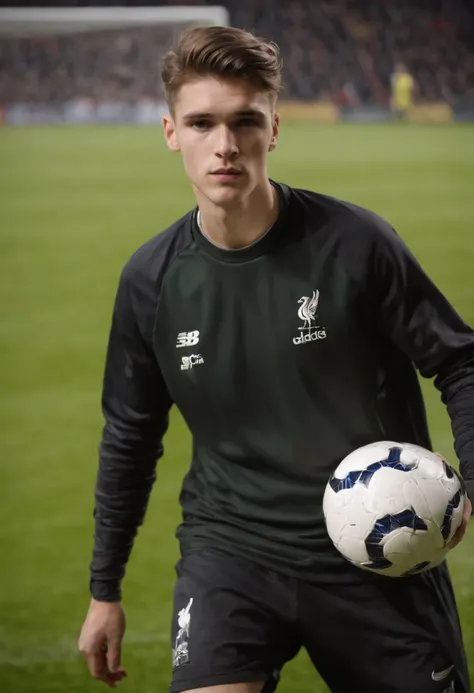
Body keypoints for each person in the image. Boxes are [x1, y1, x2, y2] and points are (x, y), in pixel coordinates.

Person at [78, 26, 473, 693]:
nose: (225, 145)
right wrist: (103, 589)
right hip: (231, 552)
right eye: (202, 123)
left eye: (245, 122)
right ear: (171, 131)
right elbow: (130, 435)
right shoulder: (152, 280)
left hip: (379, 553)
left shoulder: (354, 244)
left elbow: (460, 361)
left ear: (274, 128)